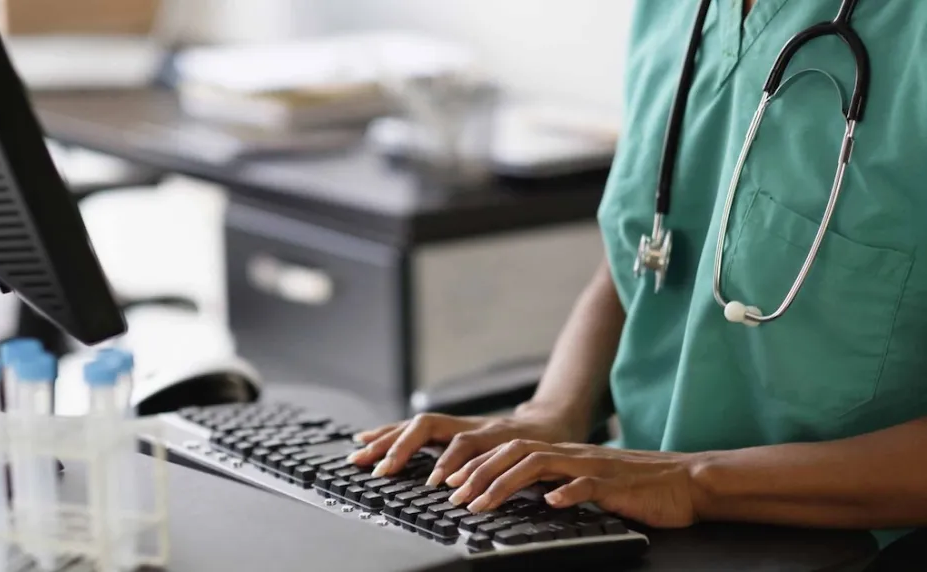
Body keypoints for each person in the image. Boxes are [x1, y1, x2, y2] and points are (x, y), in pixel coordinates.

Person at [349, 0, 927, 547]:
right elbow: (648, 251)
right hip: (628, 516)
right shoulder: (675, 13)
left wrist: (693, 480)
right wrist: (553, 413)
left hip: (842, 547)